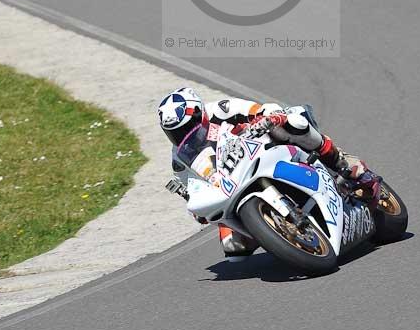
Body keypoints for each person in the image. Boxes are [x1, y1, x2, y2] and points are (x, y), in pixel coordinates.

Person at [158, 87, 380, 259]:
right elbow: (195, 190)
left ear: (200, 114)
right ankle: (280, 233)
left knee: (293, 122)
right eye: (174, 133)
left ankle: (340, 162)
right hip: (233, 185)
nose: (183, 135)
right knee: (233, 248)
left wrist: (268, 117)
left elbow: (260, 109)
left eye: (186, 127)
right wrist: (199, 212)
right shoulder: (179, 159)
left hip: (263, 147)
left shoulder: (221, 109)